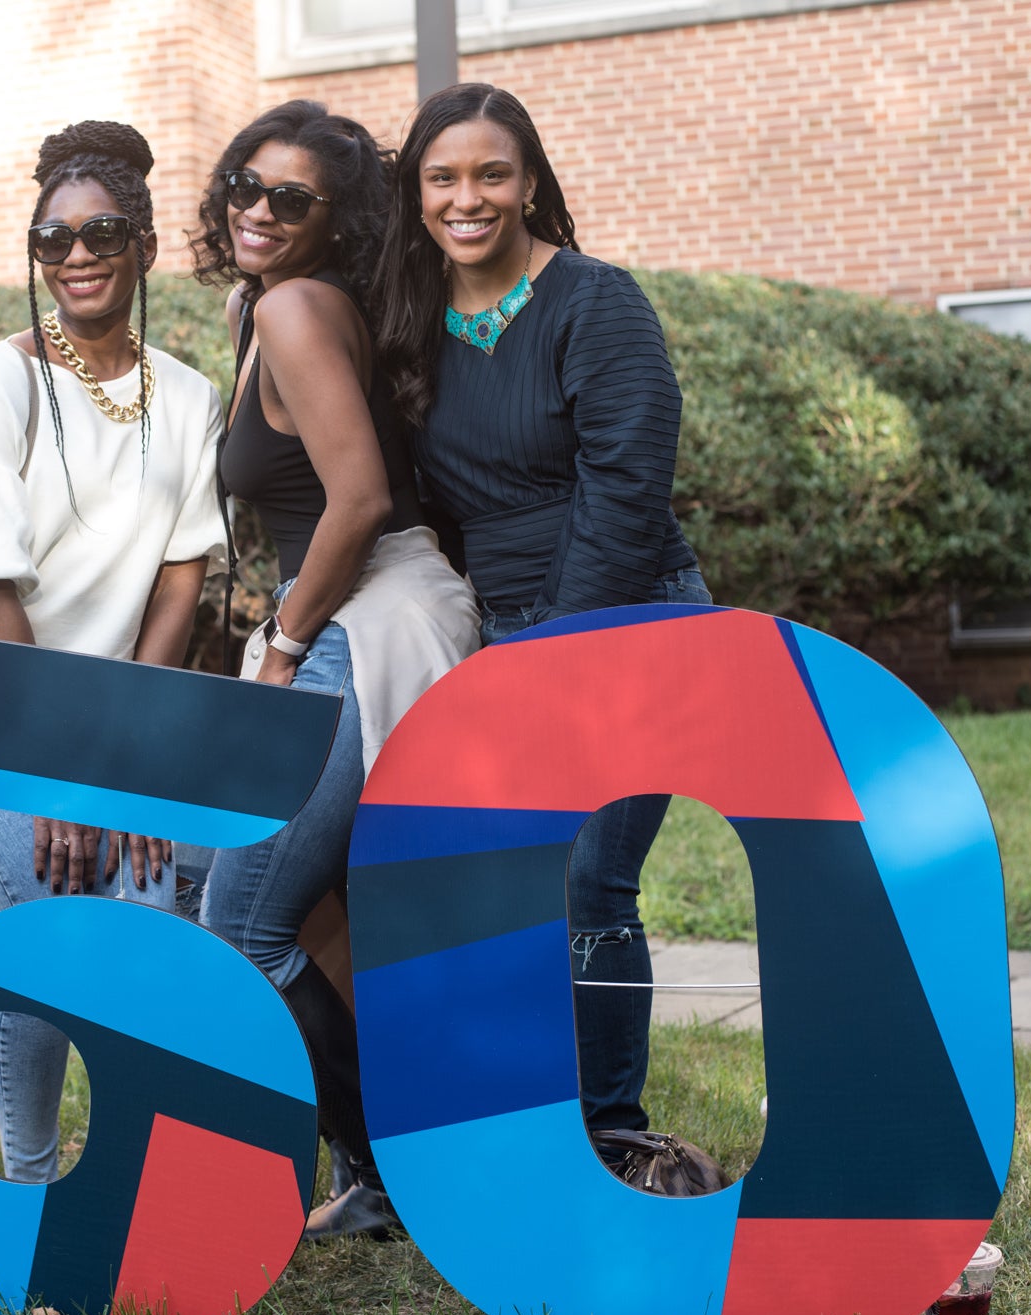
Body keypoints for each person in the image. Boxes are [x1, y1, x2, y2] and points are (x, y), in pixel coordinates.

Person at [372, 85, 711, 1170]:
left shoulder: (593, 303)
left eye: (490, 174)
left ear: (528, 184)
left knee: (586, 879)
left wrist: (555, 658)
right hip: (496, 631)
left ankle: (608, 1127)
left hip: (625, 620)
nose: (466, 198)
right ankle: (515, 1121)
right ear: (414, 191)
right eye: (442, 177)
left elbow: (624, 490)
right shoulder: (410, 323)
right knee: (500, 877)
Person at [0, 121, 228, 1184]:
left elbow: (178, 585)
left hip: (116, 731)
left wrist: (118, 761)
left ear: (140, 246)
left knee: (153, 911)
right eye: (53, 240)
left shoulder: (186, 397)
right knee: (48, 916)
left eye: (100, 234)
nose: (77, 256)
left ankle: (151, 1183)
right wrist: (56, 772)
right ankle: (34, 1187)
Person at [189, 100, 479, 1240]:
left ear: (335, 219)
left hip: (376, 617)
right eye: (242, 189)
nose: (257, 212)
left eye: (289, 199)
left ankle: (394, 1167)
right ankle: (389, 1170)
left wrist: (280, 643)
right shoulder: (257, 308)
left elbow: (355, 500)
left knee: (243, 920)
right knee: (317, 919)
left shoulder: (301, 307)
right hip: (355, 605)